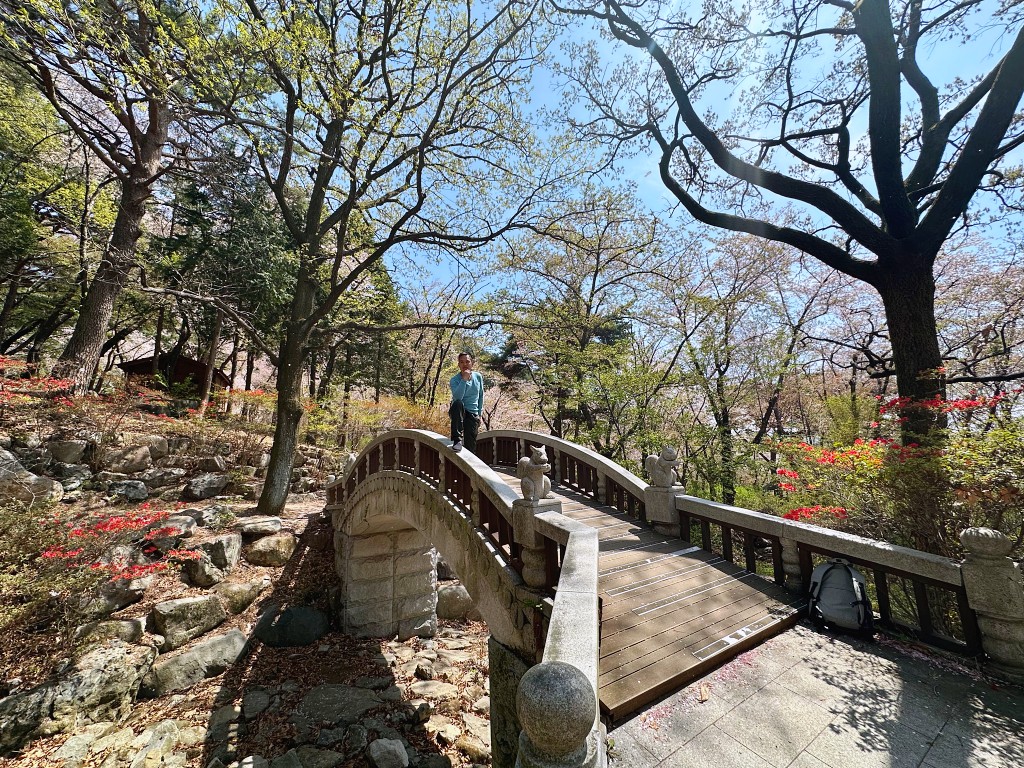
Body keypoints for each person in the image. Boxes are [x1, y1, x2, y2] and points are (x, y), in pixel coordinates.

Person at [449, 352, 483, 453]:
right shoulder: (454, 380)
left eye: (467, 361)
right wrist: (464, 379)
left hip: (472, 413)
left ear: (472, 363)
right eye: (462, 362)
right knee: (458, 403)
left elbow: (481, 396)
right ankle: (457, 439)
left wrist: (479, 414)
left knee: (470, 447)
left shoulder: (478, 377)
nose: (465, 364)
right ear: (458, 364)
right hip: (458, 412)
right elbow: (458, 397)